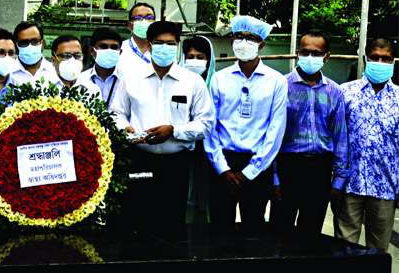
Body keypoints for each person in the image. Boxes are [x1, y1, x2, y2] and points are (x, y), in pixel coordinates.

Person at [110, 21, 215, 235]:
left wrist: (173, 130)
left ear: (177, 46)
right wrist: (124, 128)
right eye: (159, 43)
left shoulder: (192, 81)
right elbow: (116, 113)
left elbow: (205, 124)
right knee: (135, 222)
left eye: (170, 43)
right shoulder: (132, 78)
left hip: (175, 165)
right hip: (139, 159)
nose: (165, 48)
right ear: (148, 45)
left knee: (171, 224)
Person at [203, 15, 287, 235]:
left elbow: (275, 131)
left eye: (251, 38)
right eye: (239, 36)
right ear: (231, 40)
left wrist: (250, 171)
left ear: (262, 44)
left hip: (258, 167)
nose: (244, 42)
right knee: (220, 231)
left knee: (254, 233)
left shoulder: (276, 81)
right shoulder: (219, 79)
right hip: (223, 165)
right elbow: (211, 127)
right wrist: (223, 168)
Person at [270, 30, 347, 239]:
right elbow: (273, 135)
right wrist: (275, 178)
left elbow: (340, 137)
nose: (310, 58)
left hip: (320, 170)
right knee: (279, 234)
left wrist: (338, 181)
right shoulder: (281, 86)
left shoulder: (334, 91)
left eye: (316, 53)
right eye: (305, 52)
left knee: (310, 236)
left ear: (327, 57)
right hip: (288, 168)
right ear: (297, 53)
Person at [334, 38, 398, 252]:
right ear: (365, 59)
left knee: (378, 253)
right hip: (350, 185)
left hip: (386, 188)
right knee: (344, 248)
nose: (379, 62)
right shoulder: (345, 93)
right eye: (374, 57)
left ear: (393, 62)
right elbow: (336, 137)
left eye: (385, 58)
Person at [179, 35, 217, 223]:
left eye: (200, 57)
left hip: (210, 155)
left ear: (209, 61)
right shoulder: (176, 84)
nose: (194, 62)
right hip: (181, 151)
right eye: (190, 56)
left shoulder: (217, 86)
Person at [78, 27, 124, 108]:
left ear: (120, 52)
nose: (109, 51)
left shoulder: (127, 80)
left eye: (114, 47)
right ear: (91, 50)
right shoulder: (80, 80)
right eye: (103, 47)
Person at [12, 21, 59, 85]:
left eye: (35, 41)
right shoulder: (8, 73)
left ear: (43, 43)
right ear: (16, 45)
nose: (30, 46)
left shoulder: (55, 72)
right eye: (24, 42)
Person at [117, 2, 155, 74]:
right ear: (130, 25)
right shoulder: (120, 49)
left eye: (149, 18)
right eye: (138, 18)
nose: (144, 21)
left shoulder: (162, 49)